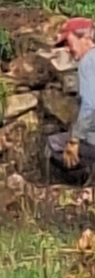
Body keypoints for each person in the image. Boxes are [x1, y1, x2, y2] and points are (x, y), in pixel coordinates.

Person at [47, 17, 95, 177]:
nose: (67, 49)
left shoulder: (88, 61)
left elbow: (90, 105)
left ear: (85, 38)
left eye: (68, 42)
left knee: (54, 145)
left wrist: (75, 140)